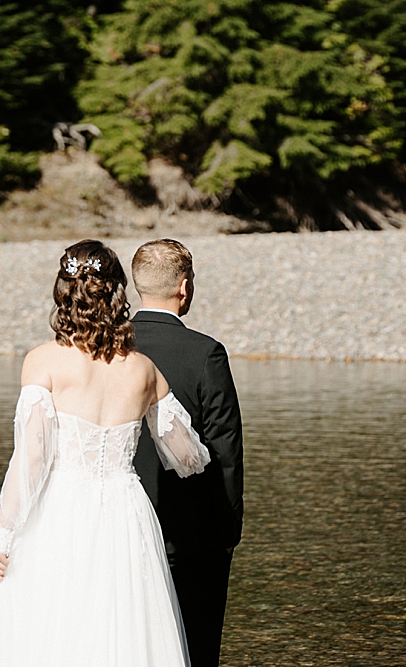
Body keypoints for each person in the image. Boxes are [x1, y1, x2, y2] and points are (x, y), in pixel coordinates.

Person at [0, 239, 211, 667]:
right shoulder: (143, 370)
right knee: (123, 632)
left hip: (58, 511)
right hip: (125, 512)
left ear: (63, 293)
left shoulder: (43, 362)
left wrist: (3, 532)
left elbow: (31, 458)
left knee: (54, 629)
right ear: (118, 295)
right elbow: (187, 457)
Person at [131, 239, 244, 667]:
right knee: (194, 648)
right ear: (184, 286)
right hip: (191, 531)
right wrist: (228, 529)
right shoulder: (204, 352)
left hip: (116, 524)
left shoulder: (102, 349)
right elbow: (225, 449)